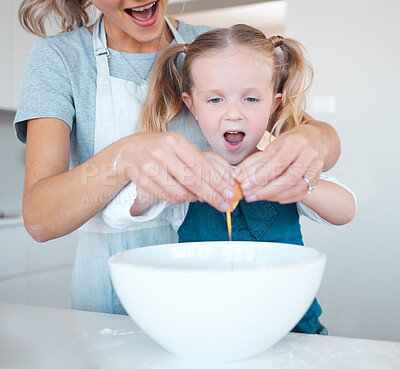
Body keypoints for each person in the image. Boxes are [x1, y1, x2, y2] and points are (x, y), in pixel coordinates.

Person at [14, 0, 342, 314]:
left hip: (210, 307)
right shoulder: (60, 59)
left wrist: (314, 138)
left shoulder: (212, 49)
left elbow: (318, 141)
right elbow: (40, 218)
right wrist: (127, 156)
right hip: (112, 305)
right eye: (214, 101)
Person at [102, 24, 357, 334]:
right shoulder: (188, 174)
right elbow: (118, 214)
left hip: (293, 335)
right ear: (191, 106)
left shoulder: (286, 166)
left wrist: (299, 183)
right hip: (208, 333)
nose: (233, 114)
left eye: (251, 100)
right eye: (215, 100)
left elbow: (346, 210)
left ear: (273, 106)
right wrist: (180, 178)